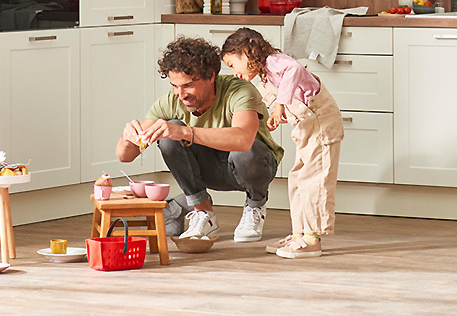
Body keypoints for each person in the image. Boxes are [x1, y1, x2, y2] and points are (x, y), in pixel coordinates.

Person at [114, 36, 282, 242]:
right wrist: (127, 137)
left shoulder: (240, 90)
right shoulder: (171, 100)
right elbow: (125, 156)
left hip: (253, 166)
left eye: (188, 85)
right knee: (168, 139)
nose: (180, 94)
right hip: (210, 170)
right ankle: (203, 213)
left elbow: (244, 140)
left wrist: (184, 132)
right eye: (175, 86)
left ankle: (255, 206)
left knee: (243, 151)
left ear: (211, 76)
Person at [221, 28, 344, 259]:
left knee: (314, 181)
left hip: (322, 125)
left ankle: (312, 239)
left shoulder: (275, 61)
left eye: (231, 64)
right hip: (307, 129)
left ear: (247, 52)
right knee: (298, 178)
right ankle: (300, 234)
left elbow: (295, 69)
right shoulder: (266, 74)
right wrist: (277, 114)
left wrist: (279, 104)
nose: (233, 72)